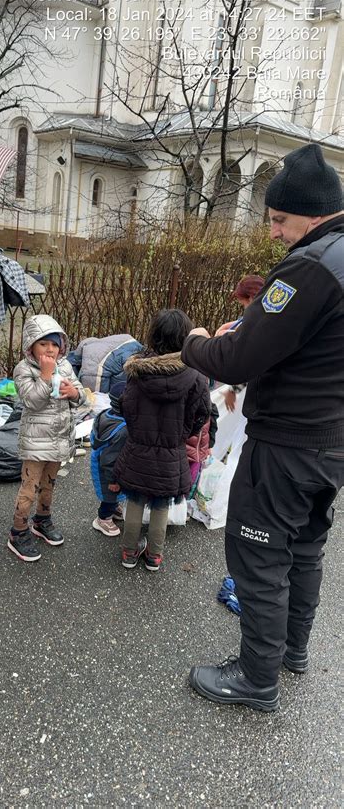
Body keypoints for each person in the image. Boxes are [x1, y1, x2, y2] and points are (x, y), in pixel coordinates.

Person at [181, 143, 344, 712]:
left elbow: (237, 363)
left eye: (278, 219)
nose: (273, 232)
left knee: (260, 555)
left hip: (288, 443)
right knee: (304, 550)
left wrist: (198, 340)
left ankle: (256, 677)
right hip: (332, 441)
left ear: (311, 213)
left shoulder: (311, 266)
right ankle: (291, 652)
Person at [114, 308, 211, 572]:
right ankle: (154, 555)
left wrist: (139, 434)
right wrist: (180, 435)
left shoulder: (138, 371)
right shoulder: (195, 374)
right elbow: (202, 412)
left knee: (135, 500)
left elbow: (127, 406)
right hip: (172, 451)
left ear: (153, 335)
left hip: (139, 448)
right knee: (161, 504)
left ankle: (128, 551)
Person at [7, 315, 88, 562]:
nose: (50, 349)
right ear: (31, 346)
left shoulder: (65, 366)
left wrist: (75, 393)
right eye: (43, 344)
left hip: (59, 439)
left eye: (54, 344)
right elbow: (31, 400)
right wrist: (45, 375)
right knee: (29, 488)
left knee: (49, 485)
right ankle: (18, 531)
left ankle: (42, 519)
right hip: (35, 442)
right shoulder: (23, 369)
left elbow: (82, 396)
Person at [217, 275, 265, 413]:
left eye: (243, 304)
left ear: (251, 298)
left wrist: (233, 391)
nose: (244, 308)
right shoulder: (268, 314)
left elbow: (254, 363)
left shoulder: (258, 326)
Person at [90, 381, 128, 537]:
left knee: (112, 494)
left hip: (98, 460)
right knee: (110, 493)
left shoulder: (105, 414)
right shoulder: (123, 430)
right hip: (108, 470)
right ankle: (103, 518)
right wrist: (113, 480)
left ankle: (113, 507)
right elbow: (111, 459)